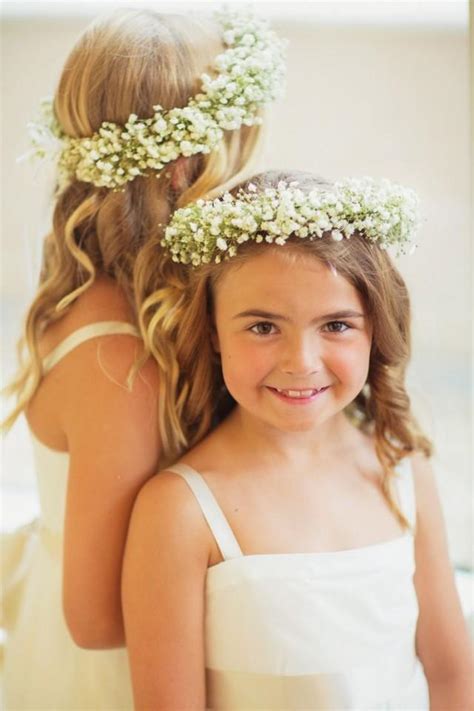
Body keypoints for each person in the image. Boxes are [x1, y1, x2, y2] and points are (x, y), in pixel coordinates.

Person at [2, 8, 286, 709]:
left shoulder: (122, 291)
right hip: (110, 682)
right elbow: (98, 618)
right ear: (189, 157)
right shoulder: (120, 358)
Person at [122, 171, 473, 710]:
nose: (301, 363)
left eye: (335, 326)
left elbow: (451, 677)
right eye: (263, 327)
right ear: (213, 332)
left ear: (376, 328)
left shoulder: (401, 470)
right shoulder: (180, 510)